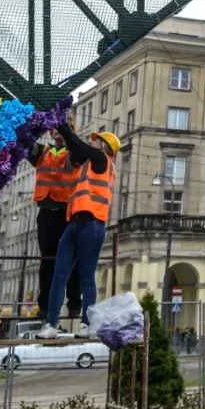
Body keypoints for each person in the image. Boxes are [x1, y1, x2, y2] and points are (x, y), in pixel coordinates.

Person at [36, 124, 121, 339]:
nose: (91, 141)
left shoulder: (102, 161)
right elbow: (73, 151)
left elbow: (76, 144)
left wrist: (62, 124)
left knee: (86, 277)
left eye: (96, 140)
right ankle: (51, 325)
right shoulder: (85, 165)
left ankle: (86, 324)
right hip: (73, 224)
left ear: (103, 146)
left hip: (91, 224)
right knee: (59, 275)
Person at [27, 125, 80, 323]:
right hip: (47, 212)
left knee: (72, 260)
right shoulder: (43, 152)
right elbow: (25, 143)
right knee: (47, 260)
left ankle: (74, 304)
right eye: (55, 129)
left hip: (67, 212)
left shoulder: (75, 152)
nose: (58, 132)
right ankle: (45, 306)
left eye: (63, 129)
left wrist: (68, 133)